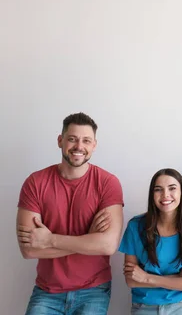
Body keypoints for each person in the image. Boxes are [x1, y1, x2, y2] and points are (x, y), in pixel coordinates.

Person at [16, 112, 124, 314]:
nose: (78, 147)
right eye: (72, 139)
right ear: (60, 140)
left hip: (94, 290)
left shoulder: (107, 183)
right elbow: (29, 250)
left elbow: (108, 245)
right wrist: (88, 240)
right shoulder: (36, 183)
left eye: (86, 141)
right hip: (47, 291)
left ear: (94, 145)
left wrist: (49, 240)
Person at [119, 168, 182, 314]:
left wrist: (146, 278)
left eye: (172, 188)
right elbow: (131, 280)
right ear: (152, 195)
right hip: (143, 307)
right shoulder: (135, 226)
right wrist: (179, 278)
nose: (165, 195)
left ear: (181, 192)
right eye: (158, 189)